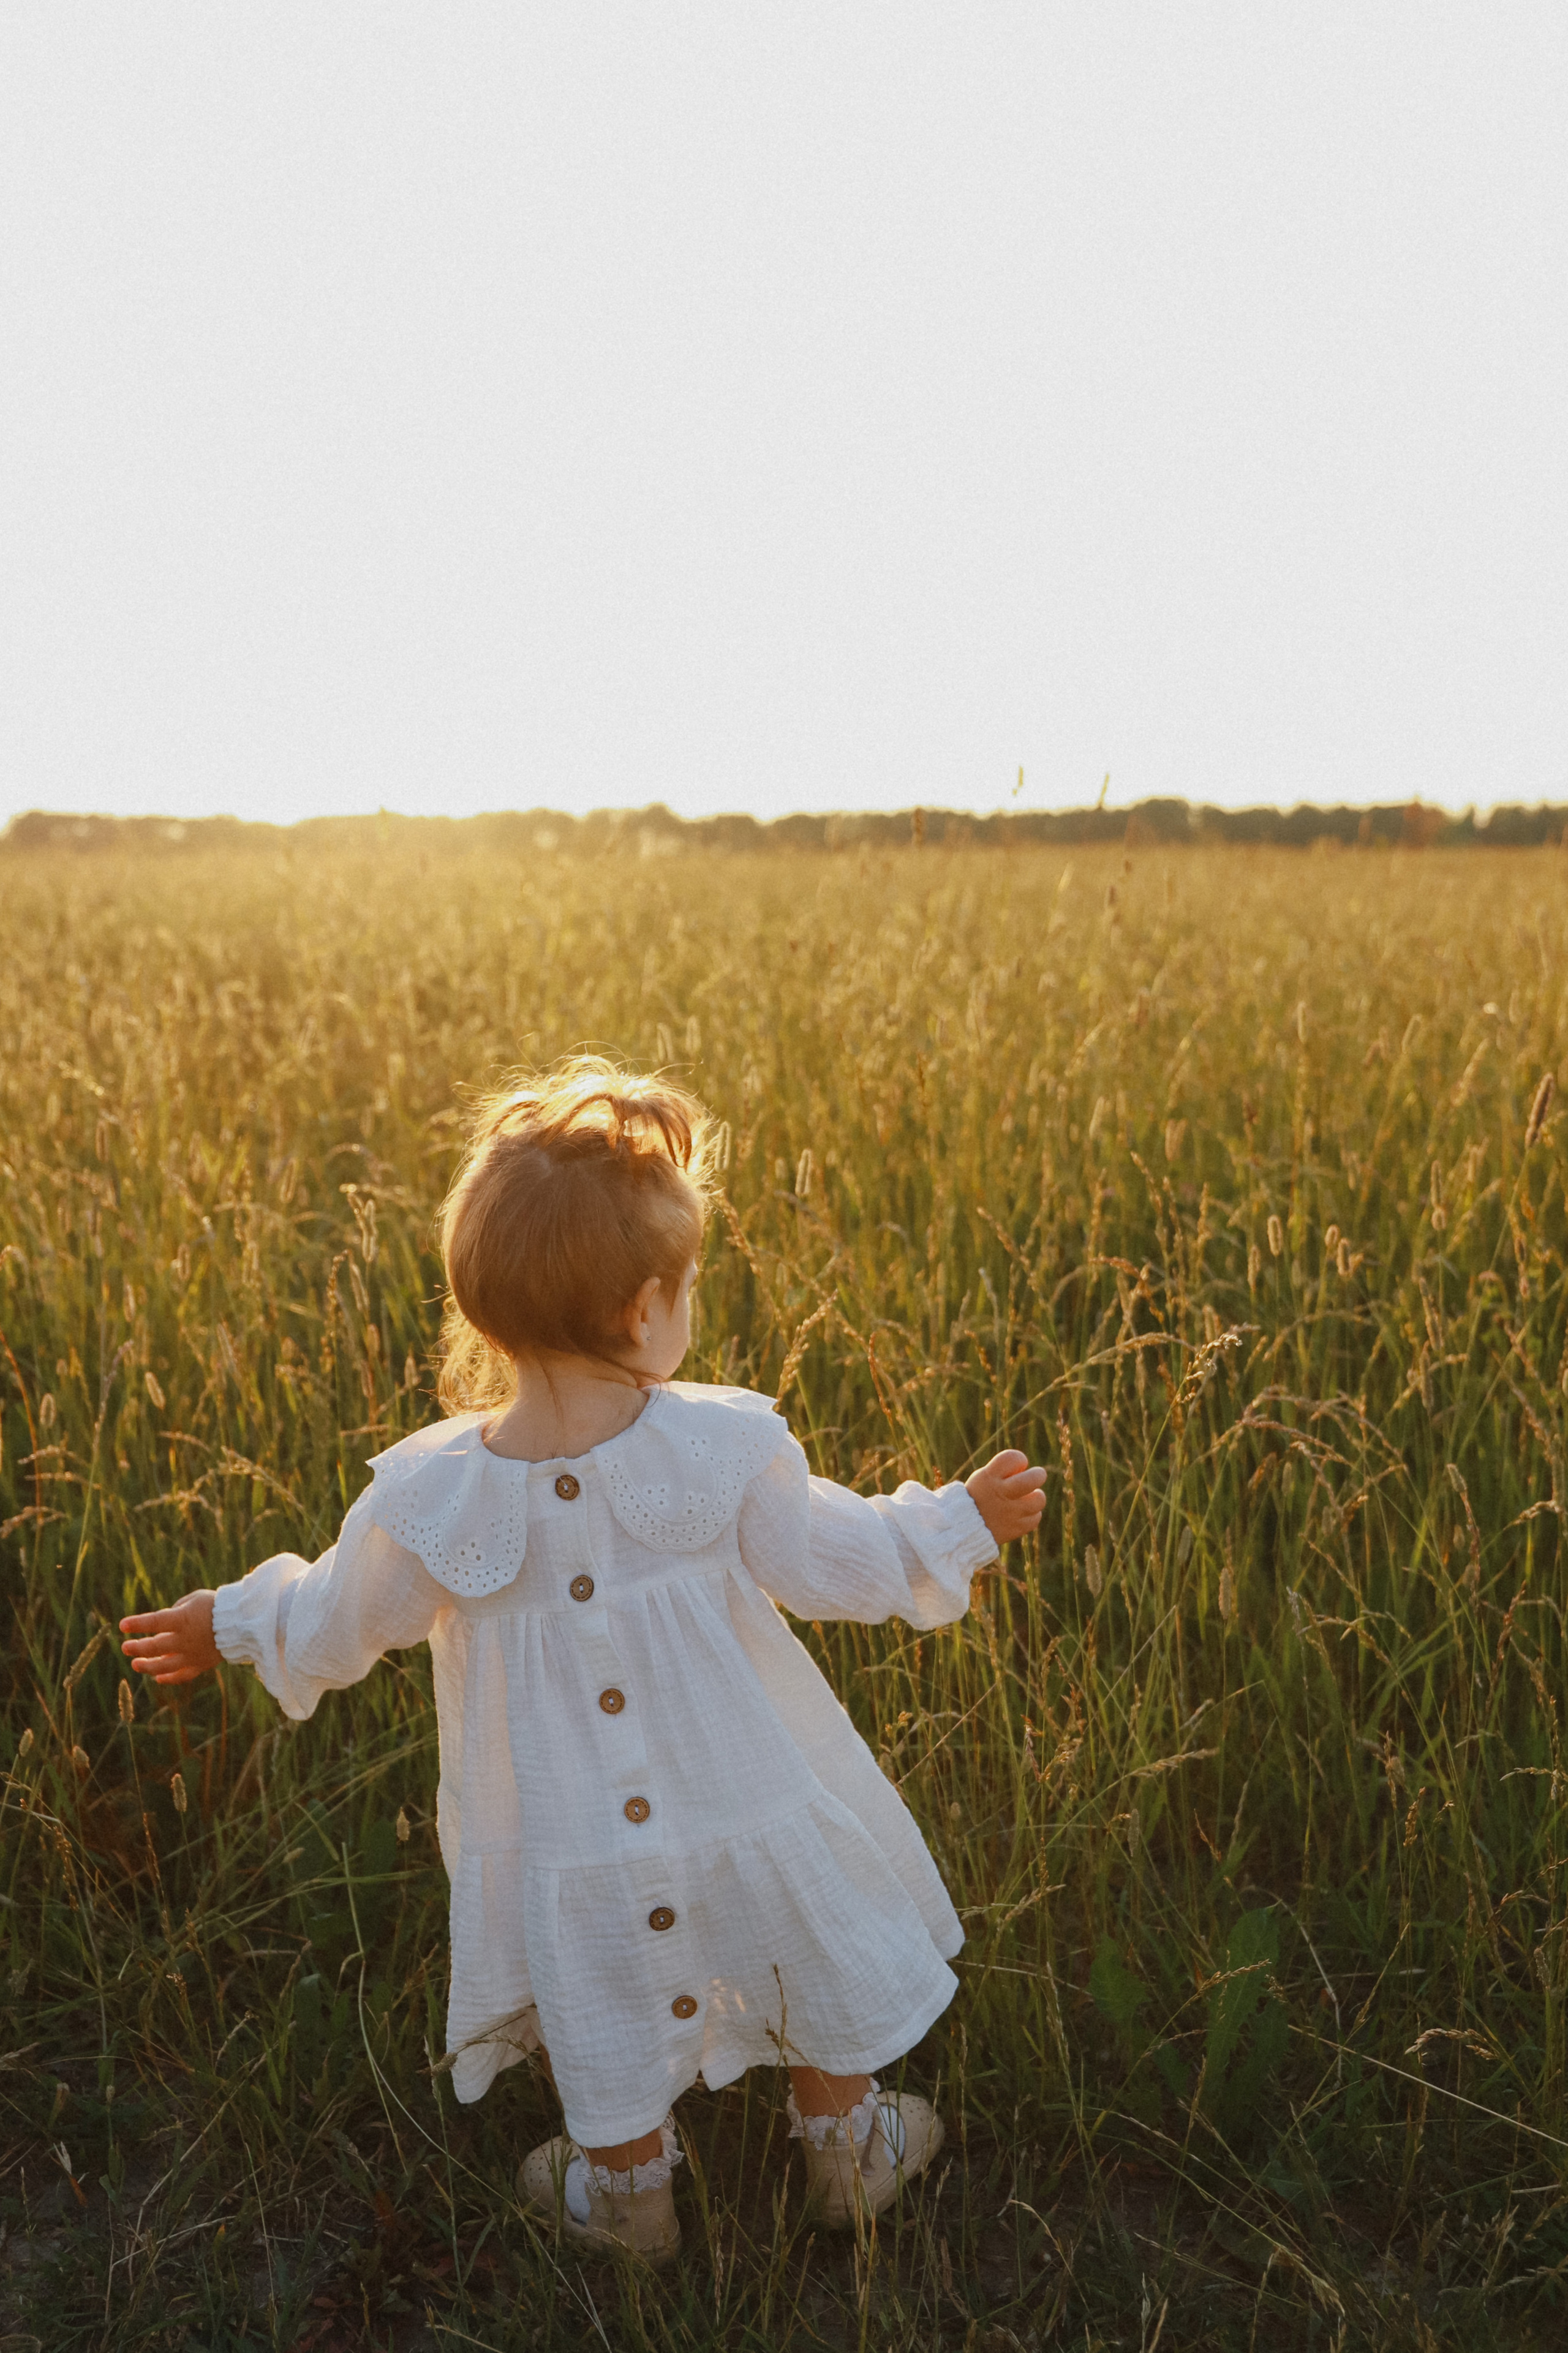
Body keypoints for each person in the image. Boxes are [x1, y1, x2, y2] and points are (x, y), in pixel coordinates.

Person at [120, 1059, 1046, 2262]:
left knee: (590, 1977)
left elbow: (336, 1623)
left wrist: (228, 1621)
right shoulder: (724, 1447)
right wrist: (958, 1520)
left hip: (561, 1832)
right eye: (689, 1284)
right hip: (745, 1788)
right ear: (643, 1309)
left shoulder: (426, 1497)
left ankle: (628, 2194)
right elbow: (841, 1560)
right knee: (796, 1926)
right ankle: (843, 2146)